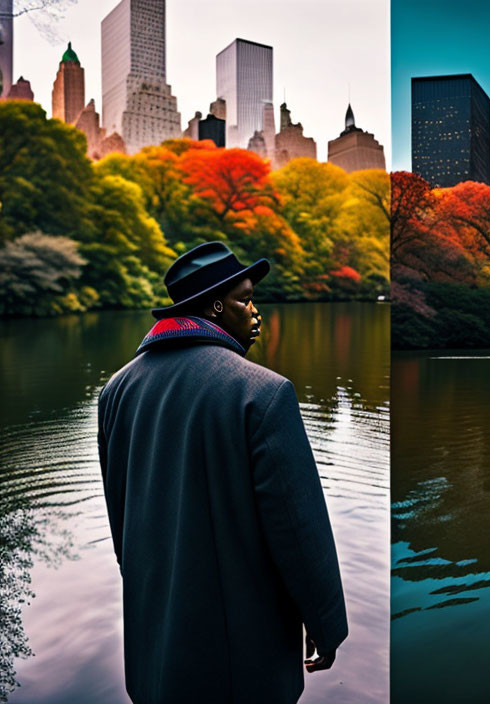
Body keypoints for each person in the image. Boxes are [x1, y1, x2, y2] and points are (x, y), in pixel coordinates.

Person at [97, 242, 348, 704]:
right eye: (245, 299)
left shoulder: (116, 390)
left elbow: (122, 527)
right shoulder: (263, 393)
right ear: (215, 307)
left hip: (155, 644)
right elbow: (298, 527)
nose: (256, 312)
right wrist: (325, 620)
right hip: (239, 660)